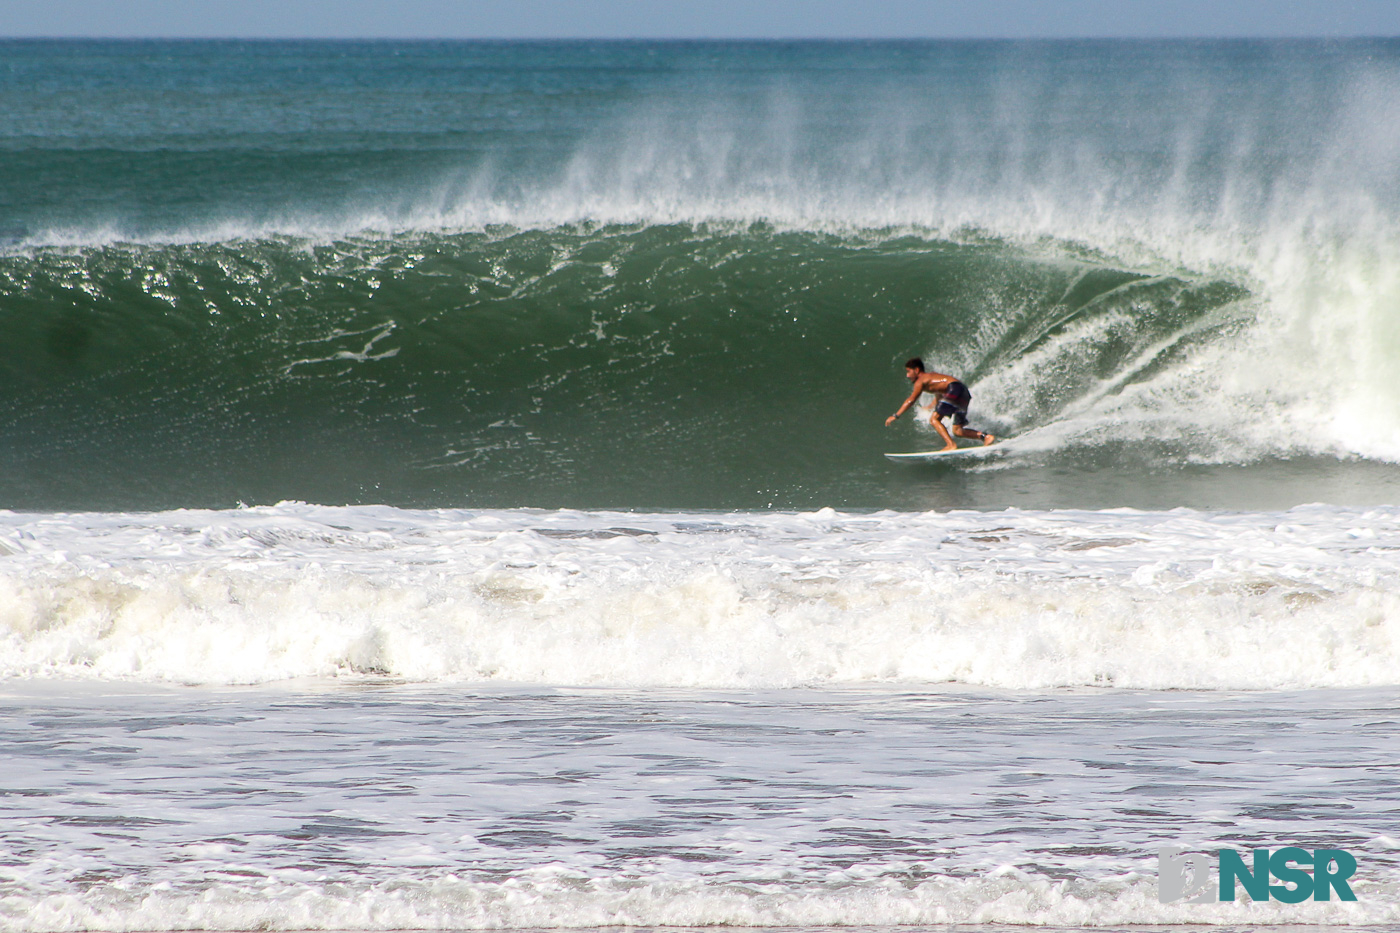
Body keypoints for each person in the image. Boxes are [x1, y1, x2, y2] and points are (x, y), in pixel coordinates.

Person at [885, 358, 995, 450]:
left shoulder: (921, 381)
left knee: (934, 420)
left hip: (954, 389)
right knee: (957, 431)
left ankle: (951, 445)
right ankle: (985, 437)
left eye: (909, 371)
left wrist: (896, 415)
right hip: (963, 392)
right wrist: (930, 407)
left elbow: (911, 400)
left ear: (917, 370)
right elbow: (941, 394)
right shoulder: (932, 377)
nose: (907, 375)